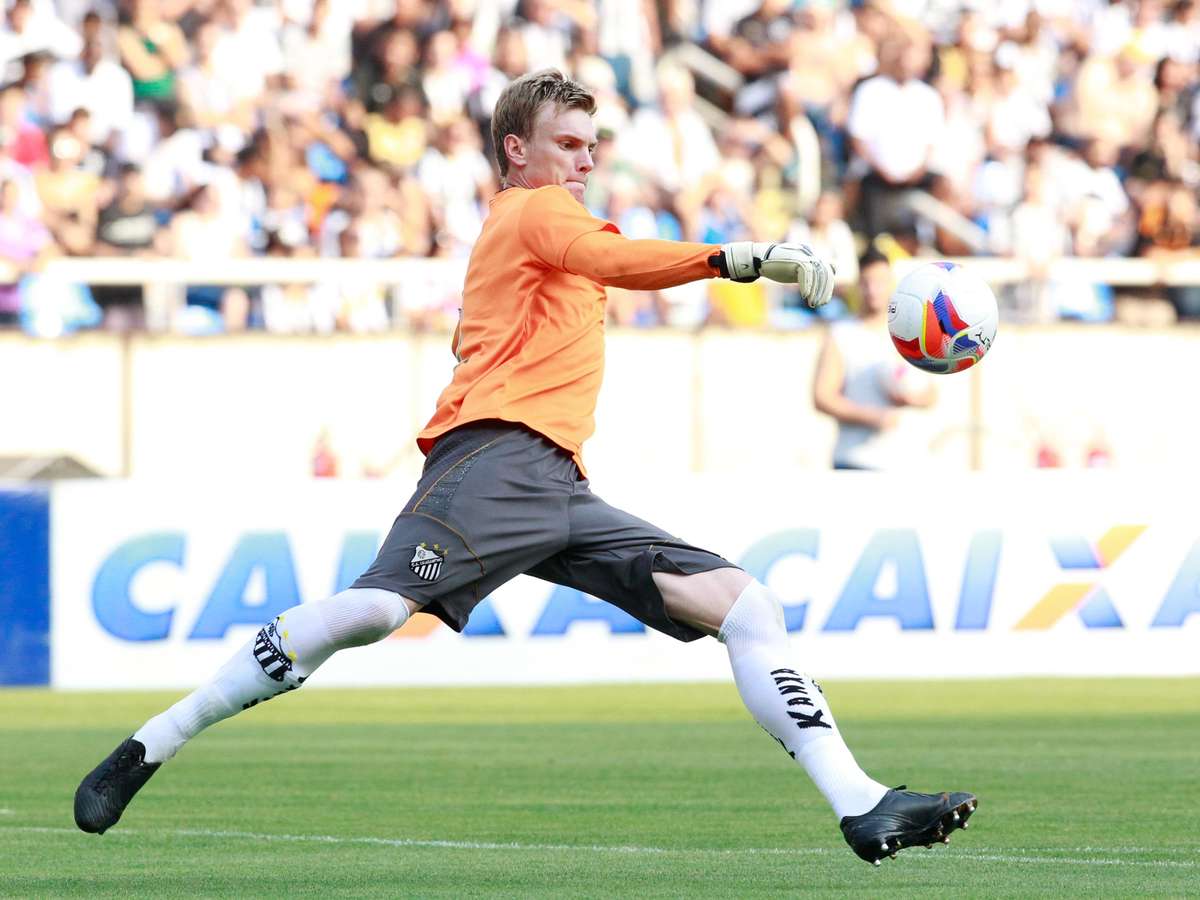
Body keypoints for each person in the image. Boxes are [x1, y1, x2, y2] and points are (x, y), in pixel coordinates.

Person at [74, 69, 975, 865]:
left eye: (592, 145)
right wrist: (736, 259)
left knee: (746, 607)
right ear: (518, 151)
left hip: (558, 486)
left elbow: (542, 299)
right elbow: (612, 257)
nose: (586, 159)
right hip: (497, 461)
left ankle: (860, 802)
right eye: (568, 144)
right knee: (377, 611)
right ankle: (156, 739)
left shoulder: (532, 236)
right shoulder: (533, 210)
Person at [813, 247, 937, 470]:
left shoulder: (911, 331)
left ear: (892, 283)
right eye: (866, 282)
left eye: (880, 282)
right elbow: (823, 397)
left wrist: (911, 398)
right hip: (856, 460)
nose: (873, 290)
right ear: (857, 285)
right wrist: (873, 417)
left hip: (908, 463)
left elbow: (931, 394)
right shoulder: (842, 334)